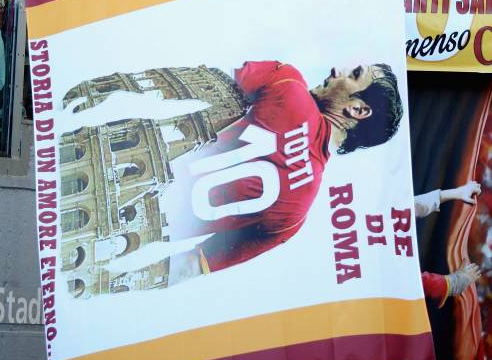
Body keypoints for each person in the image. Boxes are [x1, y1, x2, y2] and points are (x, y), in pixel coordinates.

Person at [92, 61, 403, 286]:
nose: (338, 69)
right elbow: (191, 266)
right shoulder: (295, 217)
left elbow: (186, 79)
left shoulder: (289, 84)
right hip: (119, 239)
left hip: (108, 157)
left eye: (354, 74)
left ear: (359, 110)